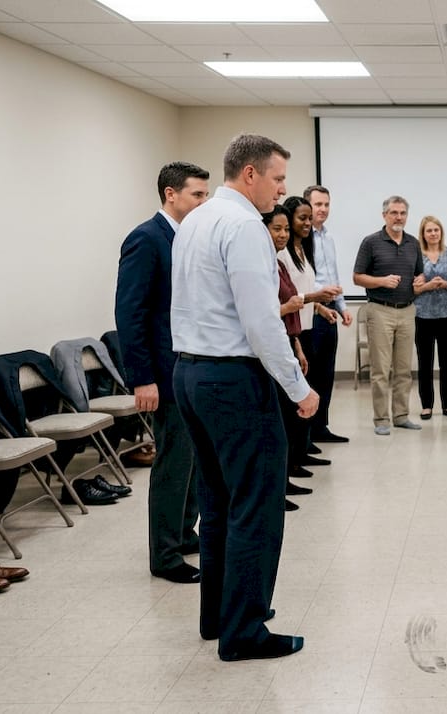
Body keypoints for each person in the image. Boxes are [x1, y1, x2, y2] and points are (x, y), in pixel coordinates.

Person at [171, 133, 318, 661]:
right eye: (278, 179)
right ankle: (245, 632)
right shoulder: (244, 228)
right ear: (250, 174)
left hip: (190, 375)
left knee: (218, 503)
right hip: (233, 381)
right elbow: (260, 323)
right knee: (255, 507)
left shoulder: (197, 221)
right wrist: (299, 389)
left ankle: (219, 616)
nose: (283, 190)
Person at [114, 160, 207, 585]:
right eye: (197, 194)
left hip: (190, 368)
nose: (203, 202)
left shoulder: (186, 236)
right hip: (162, 373)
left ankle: (186, 534)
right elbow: (130, 313)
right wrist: (141, 377)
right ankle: (165, 555)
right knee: (172, 463)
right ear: (171, 194)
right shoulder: (146, 238)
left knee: (191, 460)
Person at [280, 195, 342, 473]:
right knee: (295, 398)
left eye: (309, 218)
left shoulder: (304, 250)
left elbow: (299, 292)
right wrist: (317, 296)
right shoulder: (282, 253)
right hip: (293, 332)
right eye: (302, 218)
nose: (308, 223)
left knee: (312, 387)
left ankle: (303, 451)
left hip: (307, 327)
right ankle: (291, 461)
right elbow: (289, 296)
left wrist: (319, 306)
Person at [353, 195, 425, 435]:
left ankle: (401, 415)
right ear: (384, 215)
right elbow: (357, 277)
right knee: (381, 370)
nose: (399, 217)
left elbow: (419, 276)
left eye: (403, 213)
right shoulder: (371, 242)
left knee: (404, 369)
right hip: (380, 310)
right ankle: (382, 419)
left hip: (407, 311)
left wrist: (420, 281)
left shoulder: (413, 243)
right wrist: (382, 280)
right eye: (394, 212)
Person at [264, 204, 316, 510]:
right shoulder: (264, 263)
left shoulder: (279, 263)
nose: (283, 234)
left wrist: (296, 345)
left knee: (285, 424)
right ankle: (276, 490)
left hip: (289, 341)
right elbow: (267, 315)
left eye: (286, 229)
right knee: (279, 424)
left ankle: (284, 481)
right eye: (277, 228)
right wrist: (290, 307)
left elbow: (286, 310)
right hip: (272, 351)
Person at [303, 185, 351, 444]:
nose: (322, 209)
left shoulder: (328, 238)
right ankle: (306, 433)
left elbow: (333, 275)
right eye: (318, 204)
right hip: (311, 309)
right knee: (310, 372)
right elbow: (303, 280)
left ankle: (322, 427)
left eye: (326, 205)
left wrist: (342, 308)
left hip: (330, 308)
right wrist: (319, 296)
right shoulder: (302, 236)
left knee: (326, 372)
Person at [412, 216, 447, 419]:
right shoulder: (416, 256)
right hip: (423, 316)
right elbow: (412, 288)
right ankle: (426, 405)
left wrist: (446, 284)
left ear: (441, 232)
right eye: (429, 230)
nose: (433, 234)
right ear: (423, 234)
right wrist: (428, 286)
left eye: (436, 230)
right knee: (425, 362)